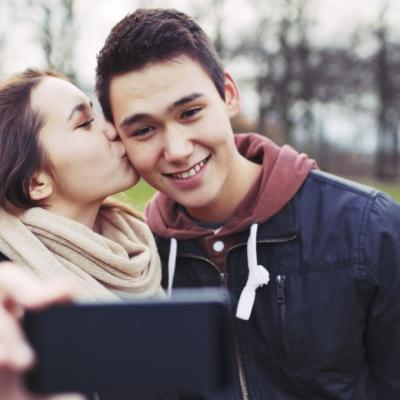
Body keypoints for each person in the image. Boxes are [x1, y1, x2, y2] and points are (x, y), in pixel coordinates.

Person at [95, 8, 400, 400]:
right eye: (144, 130)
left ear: (229, 95)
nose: (176, 150)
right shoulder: (133, 262)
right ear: (119, 139)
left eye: (190, 113)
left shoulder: (369, 230)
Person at [0, 69, 163, 399]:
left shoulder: (144, 247)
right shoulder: (13, 299)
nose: (114, 129)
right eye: (84, 123)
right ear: (36, 182)